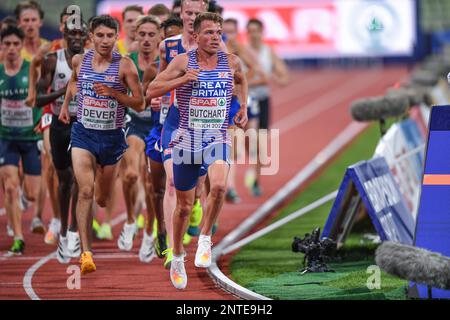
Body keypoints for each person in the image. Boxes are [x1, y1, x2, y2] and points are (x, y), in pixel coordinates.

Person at [147, 12, 248, 289]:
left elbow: (240, 80)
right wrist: (181, 81)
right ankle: (178, 255)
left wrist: (244, 108)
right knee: (183, 206)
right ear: (196, 36)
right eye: (209, 33)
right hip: (186, 140)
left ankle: (205, 238)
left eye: (218, 33)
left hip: (217, 137)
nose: (215, 38)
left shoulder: (231, 61)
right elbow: (152, 90)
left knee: (218, 188)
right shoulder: (182, 62)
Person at [59, 15, 144, 274]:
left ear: (116, 37)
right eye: (100, 36)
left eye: (110, 36)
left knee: (103, 199)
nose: (105, 41)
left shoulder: (125, 66)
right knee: (84, 190)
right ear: (91, 38)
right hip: (83, 134)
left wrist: (115, 94)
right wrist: (66, 105)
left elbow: (140, 103)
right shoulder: (79, 60)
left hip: (112, 138)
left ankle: (101, 201)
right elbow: (73, 81)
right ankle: (86, 253)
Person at [146, 0, 214, 269]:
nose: (191, 18)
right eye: (188, 13)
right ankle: (173, 245)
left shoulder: (216, 45)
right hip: (175, 122)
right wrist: (161, 97)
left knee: (195, 191)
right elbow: (160, 82)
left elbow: (227, 80)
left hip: (204, 126)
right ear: (181, 14)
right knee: (172, 182)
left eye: (197, 13)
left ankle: (189, 217)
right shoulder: (169, 46)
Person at [34, 20, 88, 263]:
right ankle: (64, 231)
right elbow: (38, 99)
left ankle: (74, 231)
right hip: (59, 123)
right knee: (64, 180)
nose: (76, 38)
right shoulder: (52, 61)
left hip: (83, 124)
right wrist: (64, 92)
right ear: (64, 35)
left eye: (80, 34)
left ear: (87, 37)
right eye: (72, 33)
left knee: (79, 178)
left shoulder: (93, 61)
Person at [117, 15, 162, 264]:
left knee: (151, 184)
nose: (145, 39)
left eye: (150, 34)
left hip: (156, 126)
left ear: (159, 37)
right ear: (135, 36)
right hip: (133, 123)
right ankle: (131, 221)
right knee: (131, 175)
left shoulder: (165, 63)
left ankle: (148, 234)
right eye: (141, 34)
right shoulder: (127, 62)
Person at [0, 25, 43, 255]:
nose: (12, 49)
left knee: (32, 194)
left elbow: (43, 96)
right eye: (7, 44)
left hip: (30, 137)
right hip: (5, 138)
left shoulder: (31, 69)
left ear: (21, 46)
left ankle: (22, 204)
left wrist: (42, 119)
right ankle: (18, 236)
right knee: (10, 186)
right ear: (1, 46)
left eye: (16, 44)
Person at [245, 18, 289, 196]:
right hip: (247, 99)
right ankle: (253, 163)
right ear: (247, 33)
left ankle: (255, 179)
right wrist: (254, 80)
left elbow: (284, 77)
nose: (254, 34)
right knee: (250, 141)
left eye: (257, 30)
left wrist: (274, 78)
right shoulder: (242, 51)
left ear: (262, 32)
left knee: (261, 143)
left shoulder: (268, 52)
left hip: (262, 100)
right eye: (250, 30)